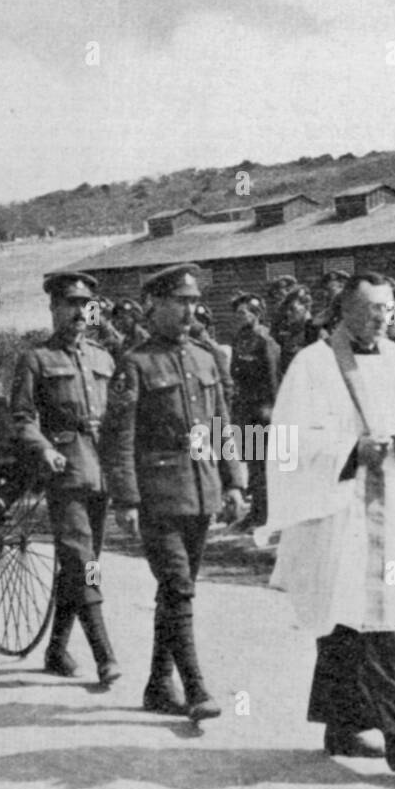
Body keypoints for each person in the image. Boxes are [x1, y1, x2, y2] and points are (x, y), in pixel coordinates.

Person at [265, 271, 395, 774]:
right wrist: (349, 450)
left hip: (387, 507)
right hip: (337, 511)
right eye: (369, 312)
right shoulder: (312, 364)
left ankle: (340, 727)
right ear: (342, 312)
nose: (380, 321)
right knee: (368, 621)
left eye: (387, 311)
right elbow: (287, 442)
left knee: (356, 618)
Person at [105, 264, 246, 721]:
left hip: (202, 491)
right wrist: (125, 499)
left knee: (175, 593)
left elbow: (223, 426)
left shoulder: (206, 358)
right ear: (155, 306)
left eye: (193, 302)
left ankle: (157, 685)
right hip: (159, 496)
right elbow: (120, 437)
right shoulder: (136, 363)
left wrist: (236, 482)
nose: (191, 310)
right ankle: (197, 689)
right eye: (180, 302)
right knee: (179, 587)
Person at [10, 271, 121, 684]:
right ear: (54, 309)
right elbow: (21, 418)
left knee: (83, 564)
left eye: (85, 305)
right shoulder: (36, 359)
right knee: (83, 561)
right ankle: (104, 655)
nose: (79, 312)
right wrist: (44, 449)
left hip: (102, 471)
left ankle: (56, 649)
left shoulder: (103, 358)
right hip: (67, 470)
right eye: (69, 305)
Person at [227, 292, 281, 528]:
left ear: (256, 314)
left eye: (244, 313)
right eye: (237, 313)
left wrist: (272, 408)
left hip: (263, 409)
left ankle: (267, 515)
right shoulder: (240, 338)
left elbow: (272, 378)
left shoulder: (265, 340)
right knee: (252, 462)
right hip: (246, 408)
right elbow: (234, 372)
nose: (239, 317)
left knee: (267, 464)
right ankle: (256, 512)